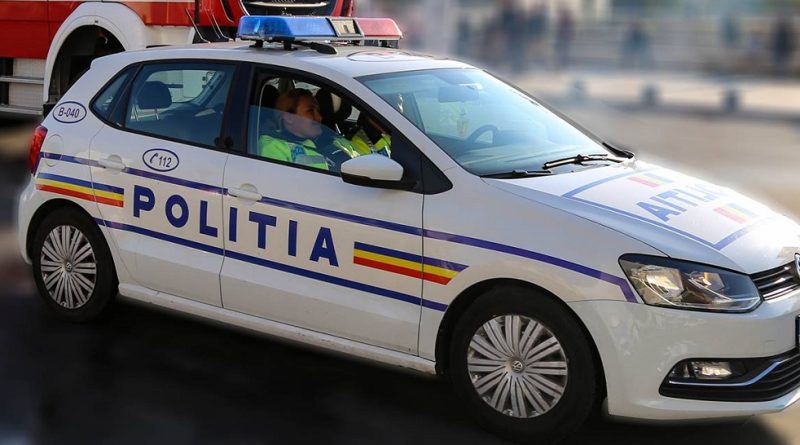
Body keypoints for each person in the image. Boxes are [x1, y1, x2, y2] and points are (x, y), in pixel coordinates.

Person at [259, 88, 359, 171]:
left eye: (318, 111)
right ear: (289, 117)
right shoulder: (272, 147)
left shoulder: (330, 139)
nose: (319, 117)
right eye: (310, 111)